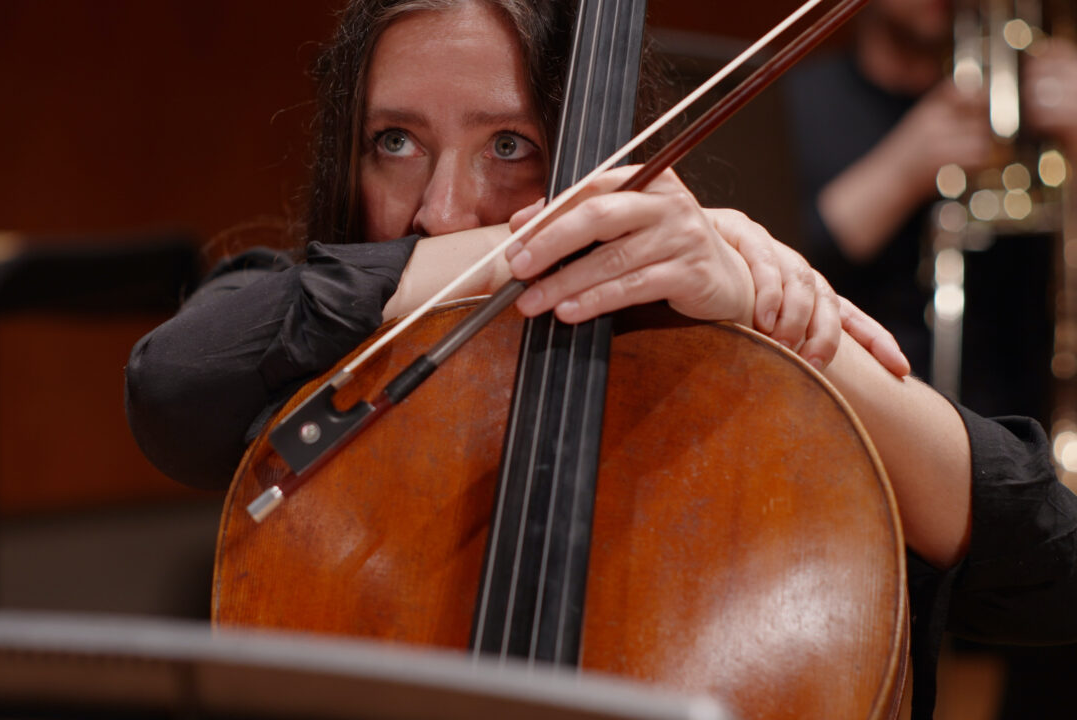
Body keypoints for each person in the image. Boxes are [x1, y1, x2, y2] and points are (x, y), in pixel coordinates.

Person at [123, 1, 1077, 717]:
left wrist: (784, 330)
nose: (442, 211)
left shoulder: (729, 390)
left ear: (600, 152)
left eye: (509, 144)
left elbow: (1055, 569)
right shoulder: (317, 345)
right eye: (396, 141)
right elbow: (174, 381)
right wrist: (515, 251)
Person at [783, 0, 1077, 417]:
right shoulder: (798, 101)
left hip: (1012, 424)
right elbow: (775, 274)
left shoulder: (1027, 109)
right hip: (844, 416)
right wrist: (903, 170)